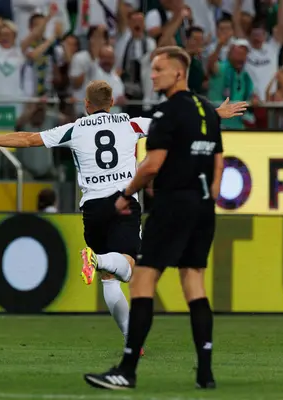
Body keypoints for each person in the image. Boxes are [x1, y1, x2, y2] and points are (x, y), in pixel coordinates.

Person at [0, 80, 245, 351]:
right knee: (128, 268)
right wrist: (217, 112)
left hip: (92, 209)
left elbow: (29, 139)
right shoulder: (130, 123)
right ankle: (98, 261)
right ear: (112, 103)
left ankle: (131, 339)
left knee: (109, 280)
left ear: (86, 104)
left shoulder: (75, 128)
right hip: (123, 202)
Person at [83, 46, 224, 391]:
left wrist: (126, 195)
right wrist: (208, 200)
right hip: (203, 207)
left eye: (159, 69)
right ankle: (205, 372)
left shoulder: (165, 114)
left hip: (172, 205)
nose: (152, 74)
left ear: (178, 73)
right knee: (194, 284)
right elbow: (219, 162)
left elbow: (152, 165)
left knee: (142, 281)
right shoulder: (206, 111)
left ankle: (127, 370)